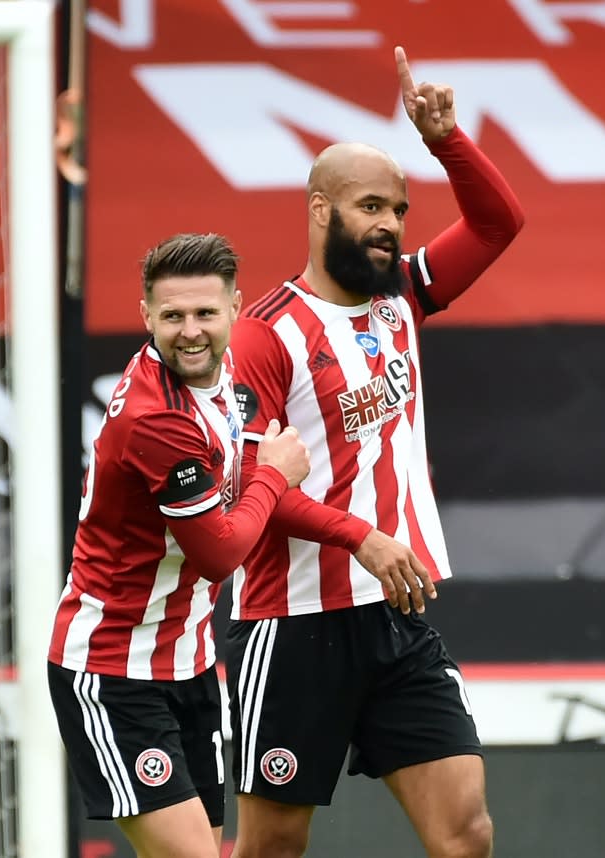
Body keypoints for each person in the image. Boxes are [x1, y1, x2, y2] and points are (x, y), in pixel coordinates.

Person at [225, 46, 525, 858]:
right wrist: (362, 536)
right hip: (290, 629)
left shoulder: (402, 297)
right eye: (369, 207)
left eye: (398, 208)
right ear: (321, 210)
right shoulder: (263, 334)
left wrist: (448, 143)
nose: (390, 224)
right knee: (270, 850)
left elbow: (499, 224)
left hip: (397, 619)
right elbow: (249, 487)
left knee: (466, 835)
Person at [47, 233, 310, 858]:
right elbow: (220, 554)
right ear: (146, 317)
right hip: (113, 671)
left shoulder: (227, 378)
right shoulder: (155, 418)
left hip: (190, 665)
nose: (190, 332)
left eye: (205, 314)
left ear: (235, 310)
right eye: (172, 317)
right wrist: (275, 474)